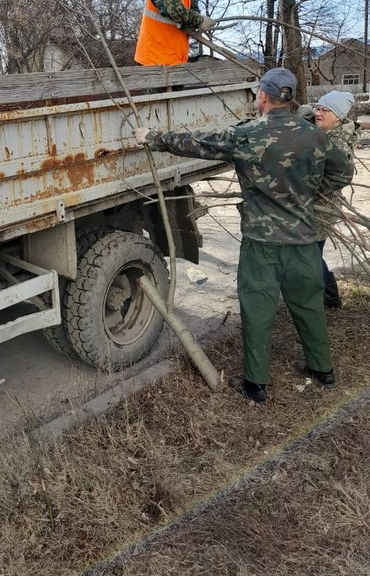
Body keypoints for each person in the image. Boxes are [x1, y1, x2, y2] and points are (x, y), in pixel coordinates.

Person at [133, 68, 337, 403]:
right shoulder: (315, 135)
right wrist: (309, 193)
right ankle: (322, 370)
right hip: (303, 240)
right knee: (309, 305)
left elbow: (198, 143)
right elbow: (341, 169)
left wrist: (152, 138)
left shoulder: (248, 135)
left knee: (258, 310)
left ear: (262, 96)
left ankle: (256, 386)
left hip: (262, 245)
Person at [299, 91, 357, 309]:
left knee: (311, 256)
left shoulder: (338, 143)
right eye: (318, 107)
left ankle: (329, 298)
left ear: (339, 116)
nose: (318, 113)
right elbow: (305, 113)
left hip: (320, 208)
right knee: (311, 255)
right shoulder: (325, 130)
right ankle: (327, 295)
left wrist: (306, 188)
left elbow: (340, 177)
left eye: (325, 110)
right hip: (313, 206)